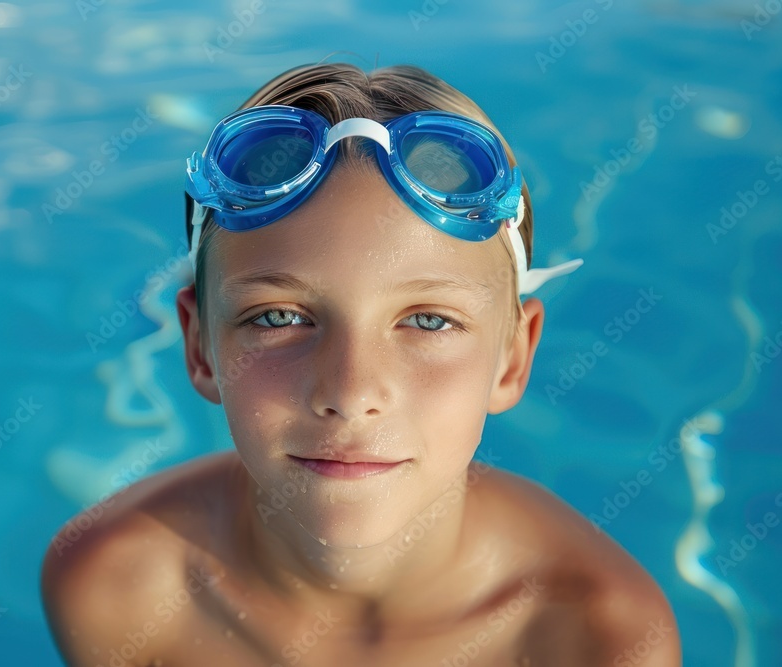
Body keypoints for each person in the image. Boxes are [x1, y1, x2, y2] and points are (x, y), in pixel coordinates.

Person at [41, 61, 681, 666]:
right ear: (200, 346)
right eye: (278, 317)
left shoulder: (598, 639)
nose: (351, 392)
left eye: (428, 320)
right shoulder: (118, 589)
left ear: (513, 357)